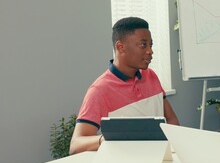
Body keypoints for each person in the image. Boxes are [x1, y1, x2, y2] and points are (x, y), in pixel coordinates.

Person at [69, 17, 179, 155]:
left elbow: (171, 118)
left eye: (151, 45)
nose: (150, 51)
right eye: (143, 45)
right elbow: (76, 144)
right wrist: (110, 139)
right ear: (121, 47)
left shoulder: (151, 76)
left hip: (159, 159)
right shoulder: (100, 90)